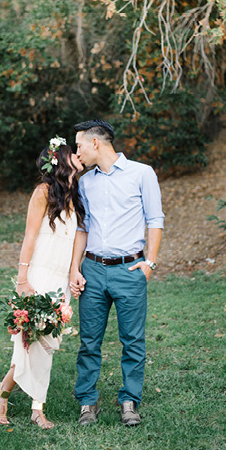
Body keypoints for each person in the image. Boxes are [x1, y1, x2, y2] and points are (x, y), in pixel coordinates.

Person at [68, 119, 164, 427]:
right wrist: (75, 268)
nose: (76, 152)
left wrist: (150, 262)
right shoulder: (86, 182)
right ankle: (87, 402)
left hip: (129, 270)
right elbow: (83, 228)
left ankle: (129, 401)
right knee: (89, 341)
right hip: (93, 270)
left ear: (96, 143)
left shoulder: (141, 173)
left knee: (133, 340)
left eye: (79, 145)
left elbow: (155, 219)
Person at [0, 136, 84, 429]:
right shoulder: (43, 192)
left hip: (60, 279)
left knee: (48, 345)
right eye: (72, 154)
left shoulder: (75, 193)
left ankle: (29, 405)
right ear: (60, 162)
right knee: (29, 344)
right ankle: (9, 398)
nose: (78, 157)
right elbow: (30, 237)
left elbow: (78, 236)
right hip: (39, 275)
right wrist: (22, 278)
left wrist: (73, 273)